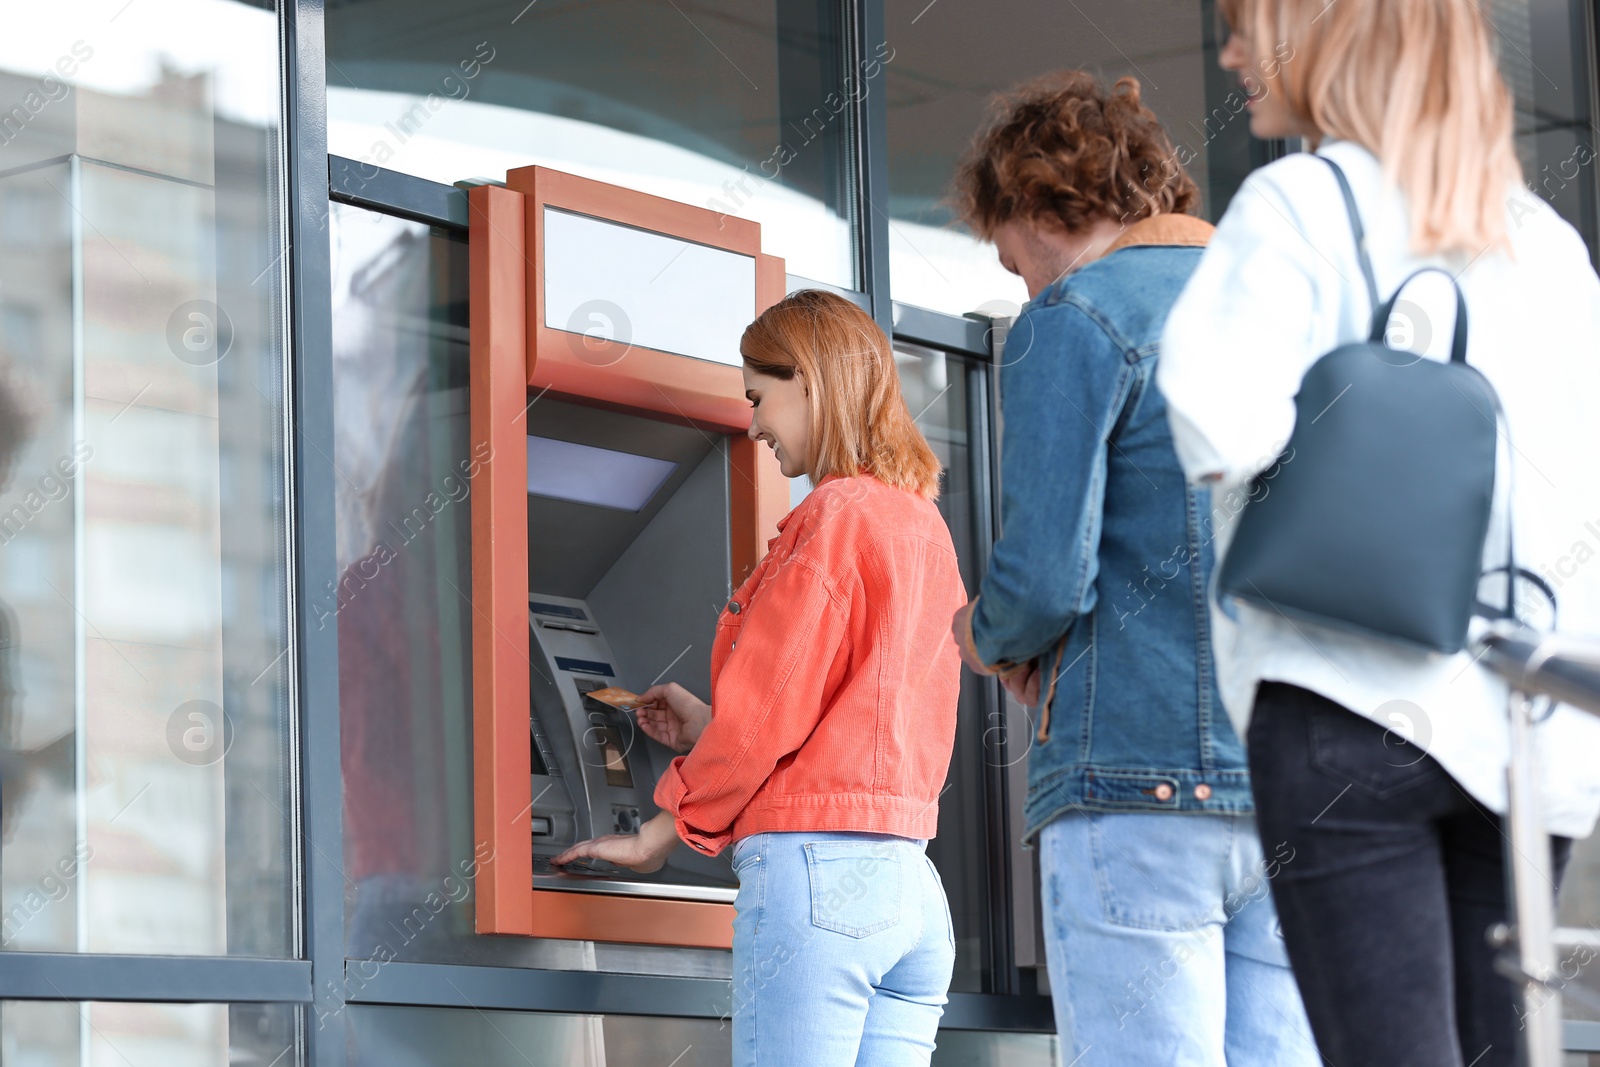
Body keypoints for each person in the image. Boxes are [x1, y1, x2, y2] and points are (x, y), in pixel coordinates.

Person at [1156, 2, 1600, 1064]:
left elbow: (1218, 424)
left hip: (1341, 698)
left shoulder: (1302, 200)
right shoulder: (1546, 247)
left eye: (1241, 27)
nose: (1225, 57)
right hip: (1528, 725)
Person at [948, 72, 1316, 1066]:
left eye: (1004, 245)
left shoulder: (1075, 316)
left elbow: (1043, 579)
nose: (1016, 274)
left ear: (1033, 205)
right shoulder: (1286, 310)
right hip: (1291, 783)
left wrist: (983, 636)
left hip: (1134, 782)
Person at [555, 289, 968, 1067]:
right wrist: (712, 722)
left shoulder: (834, 515)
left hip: (819, 886)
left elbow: (767, 718)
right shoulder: (922, 525)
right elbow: (851, 723)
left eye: (758, 396)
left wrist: (658, 828)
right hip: (910, 890)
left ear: (809, 380)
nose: (752, 425)